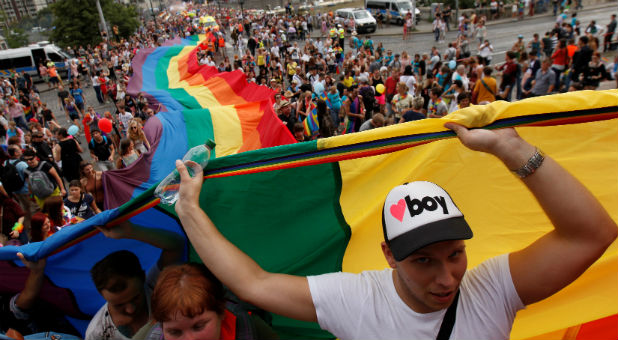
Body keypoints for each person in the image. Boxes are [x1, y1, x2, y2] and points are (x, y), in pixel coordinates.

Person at [173, 117, 617, 339]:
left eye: (455, 254)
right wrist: (189, 209)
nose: (446, 278)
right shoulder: (355, 299)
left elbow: (592, 234)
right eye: (423, 260)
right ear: (389, 255)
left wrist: (512, 150)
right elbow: (254, 283)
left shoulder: (492, 288)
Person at [85, 221, 185, 340]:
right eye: (119, 305)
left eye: (136, 298)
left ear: (143, 277)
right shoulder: (97, 333)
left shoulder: (155, 285)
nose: (130, 309)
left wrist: (132, 231)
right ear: (102, 295)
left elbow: (176, 245)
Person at [146, 263, 278, 340]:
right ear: (161, 326)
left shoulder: (251, 327)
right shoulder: (149, 336)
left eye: (198, 326)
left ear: (221, 312)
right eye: (175, 332)